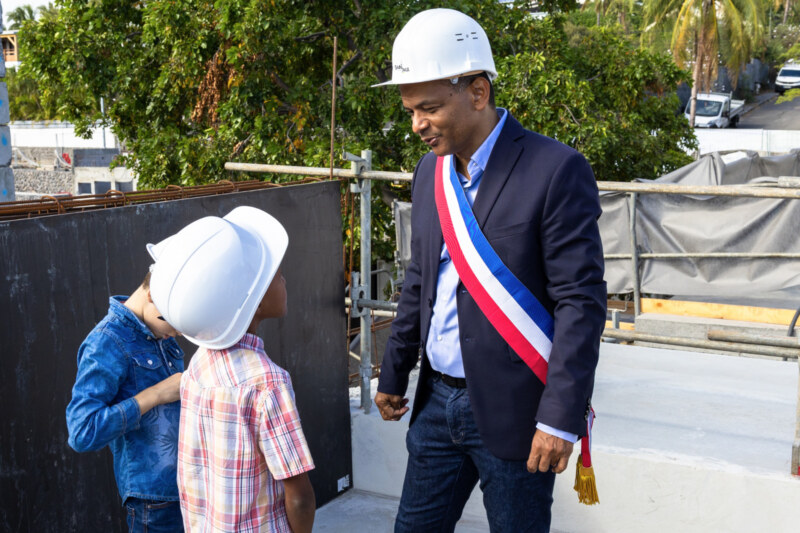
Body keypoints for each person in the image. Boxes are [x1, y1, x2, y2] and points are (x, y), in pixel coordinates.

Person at [373, 8, 607, 533]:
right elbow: (420, 278)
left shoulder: (555, 169)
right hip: (436, 403)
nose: (416, 125)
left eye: (429, 108)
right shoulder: (430, 171)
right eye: (411, 110)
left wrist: (559, 418)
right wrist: (395, 370)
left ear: (478, 92)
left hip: (519, 411)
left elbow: (580, 302)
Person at [148, 206, 316, 533]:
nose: (284, 279)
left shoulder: (197, 367)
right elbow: (299, 497)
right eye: (276, 274)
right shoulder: (268, 383)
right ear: (253, 300)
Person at [66, 271, 185, 533]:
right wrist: (155, 394)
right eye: (176, 321)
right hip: (154, 502)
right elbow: (82, 432)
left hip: (189, 491)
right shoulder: (106, 341)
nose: (178, 331)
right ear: (153, 295)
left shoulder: (160, 332)